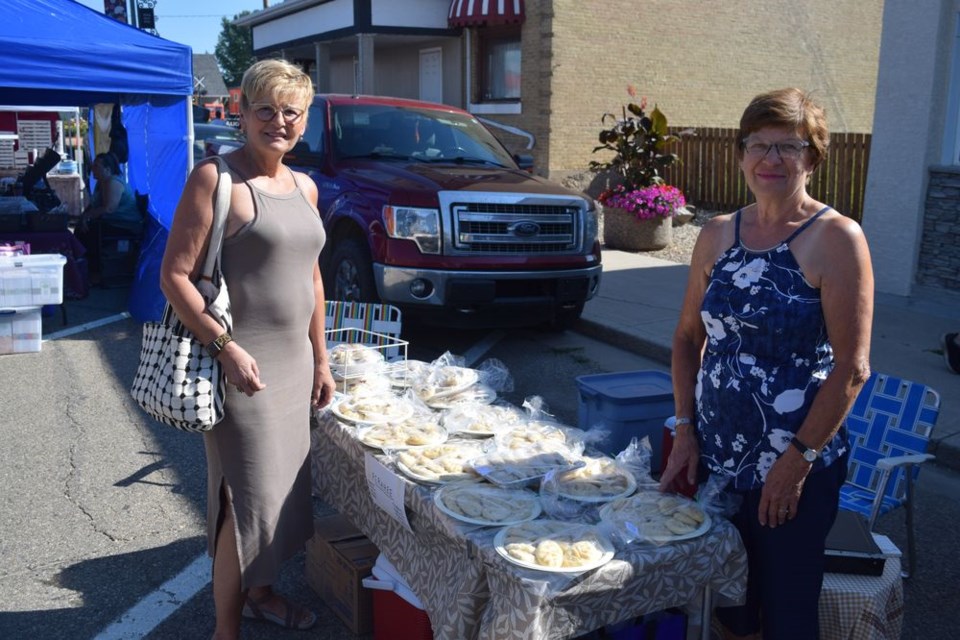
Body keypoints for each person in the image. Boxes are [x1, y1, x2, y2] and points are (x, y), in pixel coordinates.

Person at [659, 88, 874, 640]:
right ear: (740, 154)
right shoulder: (716, 234)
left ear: (813, 158)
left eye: (788, 147)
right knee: (726, 603)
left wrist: (797, 461)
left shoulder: (837, 239)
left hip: (793, 470)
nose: (770, 160)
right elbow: (687, 338)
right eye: (758, 145)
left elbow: (851, 368)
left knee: (785, 614)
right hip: (716, 457)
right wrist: (685, 429)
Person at [159, 59, 335, 639]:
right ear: (242, 113)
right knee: (244, 505)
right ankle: (225, 630)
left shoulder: (304, 185)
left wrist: (323, 359)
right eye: (265, 109)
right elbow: (175, 277)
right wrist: (226, 348)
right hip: (242, 373)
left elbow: (311, 278)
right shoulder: (216, 178)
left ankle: (261, 595)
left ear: (304, 121)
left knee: (281, 497)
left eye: (291, 112)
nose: (278, 122)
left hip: (293, 368)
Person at [73, 152, 143, 276]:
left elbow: (109, 208)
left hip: (126, 225)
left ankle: (93, 272)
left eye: (96, 166)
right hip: (112, 222)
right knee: (81, 230)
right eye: (93, 165)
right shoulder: (101, 182)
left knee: (88, 233)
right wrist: (83, 217)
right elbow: (94, 205)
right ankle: (85, 269)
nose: (93, 169)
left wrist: (87, 217)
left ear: (107, 169)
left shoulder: (113, 182)